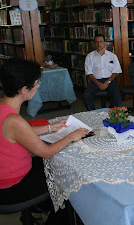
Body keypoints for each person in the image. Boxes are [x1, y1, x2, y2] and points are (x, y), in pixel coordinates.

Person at [0, 59, 88, 221]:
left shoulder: (3, 108)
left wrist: (50, 128)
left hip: (5, 178)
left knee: (53, 167)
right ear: (23, 90)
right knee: (67, 179)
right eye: (36, 83)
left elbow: (19, 132)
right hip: (12, 187)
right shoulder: (14, 119)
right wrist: (71, 136)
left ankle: (36, 210)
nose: (38, 86)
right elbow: (46, 152)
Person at [83, 34, 122, 111]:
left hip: (109, 80)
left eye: (101, 41)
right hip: (95, 81)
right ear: (94, 43)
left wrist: (107, 82)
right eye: (97, 42)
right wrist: (98, 83)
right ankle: (93, 114)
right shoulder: (89, 56)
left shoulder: (112, 56)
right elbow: (89, 73)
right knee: (86, 95)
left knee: (117, 95)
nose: (99, 44)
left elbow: (116, 71)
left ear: (105, 42)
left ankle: (111, 113)